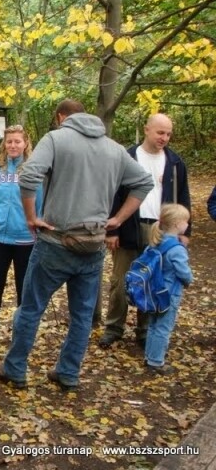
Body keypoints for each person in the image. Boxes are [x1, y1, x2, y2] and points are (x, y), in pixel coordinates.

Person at [0, 99, 153, 391]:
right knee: (81, 315)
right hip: (93, 245)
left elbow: (28, 175)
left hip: (55, 241)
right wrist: (117, 218)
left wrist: (31, 218)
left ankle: (15, 368)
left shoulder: (56, 138)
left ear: (60, 117)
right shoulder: (114, 148)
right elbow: (143, 182)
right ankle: (68, 372)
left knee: (30, 308)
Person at [99, 114, 191, 349]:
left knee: (153, 279)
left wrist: (185, 231)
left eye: (168, 134)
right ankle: (113, 327)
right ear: (147, 130)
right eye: (160, 132)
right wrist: (113, 231)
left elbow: (183, 198)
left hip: (161, 229)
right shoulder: (128, 158)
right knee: (121, 281)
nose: (164, 138)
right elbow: (113, 193)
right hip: (128, 225)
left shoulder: (175, 163)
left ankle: (145, 329)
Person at [0, 125, 43, 349]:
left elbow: (41, 204)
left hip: (25, 239)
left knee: (24, 288)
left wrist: (38, 225)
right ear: (4, 144)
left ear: (26, 144)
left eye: (17, 141)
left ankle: (22, 333)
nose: (13, 145)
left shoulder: (34, 171)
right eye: (9, 142)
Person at [143, 204, 193, 375]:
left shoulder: (154, 243)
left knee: (153, 324)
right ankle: (156, 362)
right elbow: (183, 272)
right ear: (178, 224)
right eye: (186, 221)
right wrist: (189, 280)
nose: (188, 224)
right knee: (163, 327)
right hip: (169, 293)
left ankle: (150, 356)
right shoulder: (176, 249)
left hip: (152, 292)